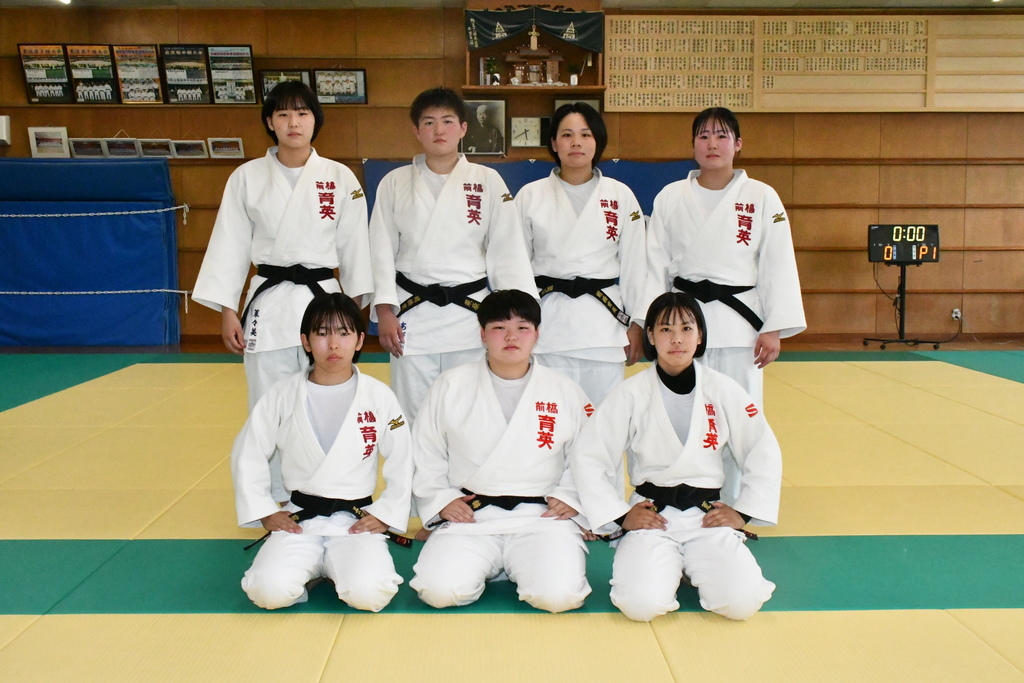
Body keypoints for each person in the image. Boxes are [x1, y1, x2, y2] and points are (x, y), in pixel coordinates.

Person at [192, 81, 373, 499]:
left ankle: (328, 490)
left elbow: (355, 247)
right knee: (267, 404)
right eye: (284, 114)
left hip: (323, 302)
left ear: (315, 121)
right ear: (270, 122)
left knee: (326, 398)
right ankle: (273, 497)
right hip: (269, 302)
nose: (294, 122)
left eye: (303, 113)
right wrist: (228, 310)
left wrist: (354, 313)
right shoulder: (246, 177)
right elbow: (229, 245)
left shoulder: (339, 177)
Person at [571, 292, 781, 622]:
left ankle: (688, 565)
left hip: (708, 516)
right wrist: (620, 516)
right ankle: (671, 565)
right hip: (652, 516)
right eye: (665, 329)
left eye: (686, 328)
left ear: (700, 336)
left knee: (741, 603)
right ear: (651, 336)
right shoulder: (630, 393)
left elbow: (762, 449)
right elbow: (590, 455)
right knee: (640, 605)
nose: (677, 339)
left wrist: (742, 512)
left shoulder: (724, 389)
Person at [409, 289, 593, 613]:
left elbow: (589, 454)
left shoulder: (564, 389)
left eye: (522, 327)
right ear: (482, 334)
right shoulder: (450, 385)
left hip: (542, 517)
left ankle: (513, 566)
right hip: (471, 515)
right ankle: (500, 566)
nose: (511, 337)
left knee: (559, 596)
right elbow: (426, 450)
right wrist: (442, 500)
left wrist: (572, 497)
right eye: (499, 327)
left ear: (537, 334)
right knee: (438, 592)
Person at [231, 293, 412, 612]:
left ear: (359, 340)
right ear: (306, 341)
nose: (333, 344)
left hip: (356, 521)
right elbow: (249, 452)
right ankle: (317, 569)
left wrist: (386, 514)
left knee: (370, 594)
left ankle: (327, 570)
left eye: (344, 333)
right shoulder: (282, 394)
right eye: (322, 333)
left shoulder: (378, 395)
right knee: (268, 592)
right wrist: (265, 511)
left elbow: (403, 457)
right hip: (299, 518)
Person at [369, 87, 536, 423]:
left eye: (447, 121)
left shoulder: (487, 180)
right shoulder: (394, 183)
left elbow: (508, 250)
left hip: (469, 316)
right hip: (412, 316)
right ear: (416, 131)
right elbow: (380, 249)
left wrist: (517, 317)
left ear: (463, 128)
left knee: (470, 413)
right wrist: (384, 310)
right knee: (414, 415)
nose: (439, 130)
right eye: (429, 122)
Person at [646, 107, 805, 407]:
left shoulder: (761, 196)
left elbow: (778, 262)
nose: (712, 144)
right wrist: (654, 323)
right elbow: (654, 264)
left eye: (721, 136)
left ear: (738, 143)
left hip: (740, 325)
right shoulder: (670, 196)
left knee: (739, 409)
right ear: (693, 145)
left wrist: (774, 327)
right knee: (683, 407)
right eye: (703, 136)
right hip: (683, 324)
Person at [516, 102, 649, 406]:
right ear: (554, 143)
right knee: (549, 416)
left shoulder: (620, 195)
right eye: (567, 135)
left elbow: (636, 266)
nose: (576, 142)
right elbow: (516, 266)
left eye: (585, 134)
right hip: (548, 325)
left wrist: (637, 323)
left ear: (597, 141)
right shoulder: (530, 195)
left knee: (603, 418)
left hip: (603, 327)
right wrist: (521, 324)